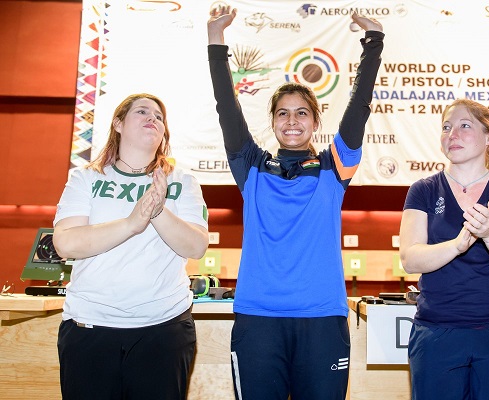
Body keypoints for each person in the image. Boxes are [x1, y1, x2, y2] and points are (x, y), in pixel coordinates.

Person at [207, 6, 383, 400]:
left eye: (302, 113)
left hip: (322, 318)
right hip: (257, 320)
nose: (291, 121)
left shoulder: (333, 170)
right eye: (282, 113)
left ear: (315, 122)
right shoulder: (251, 168)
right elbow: (226, 109)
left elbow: (359, 108)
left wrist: (374, 42)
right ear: (272, 122)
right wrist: (215, 39)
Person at [52, 93, 210, 400]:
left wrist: (159, 211)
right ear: (118, 124)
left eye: (159, 116)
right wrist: (130, 224)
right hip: (90, 327)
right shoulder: (86, 178)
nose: (153, 118)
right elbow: (66, 242)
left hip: (163, 330)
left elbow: (196, 246)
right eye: (142, 111)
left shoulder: (182, 181)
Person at [399, 98, 489, 400]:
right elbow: (409, 258)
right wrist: (456, 245)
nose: (452, 134)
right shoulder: (423, 190)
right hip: (437, 332)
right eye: (446, 127)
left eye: (464, 126)